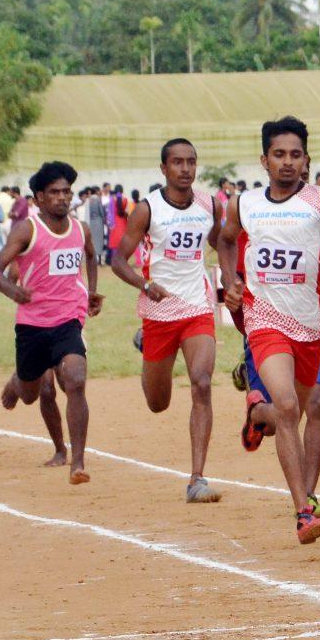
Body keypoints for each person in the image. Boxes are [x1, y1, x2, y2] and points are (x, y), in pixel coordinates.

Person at [217, 116, 320, 544]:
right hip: (264, 318)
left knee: (297, 410)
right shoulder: (243, 203)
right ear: (264, 160)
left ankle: (256, 413)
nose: (287, 162)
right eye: (279, 154)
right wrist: (231, 279)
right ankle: (303, 511)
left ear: (306, 160)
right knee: (287, 408)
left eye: (295, 155)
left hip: (309, 324)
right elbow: (225, 240)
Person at [111, 139, 223, 503]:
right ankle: (146, 345)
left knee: (201, 382)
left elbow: (223, 242)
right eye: (177, 162)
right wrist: (145, 285)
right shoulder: (147, 209)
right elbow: (118, 260)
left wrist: (232, 279)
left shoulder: (210, 205)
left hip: (197, 307)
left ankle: (197, 479)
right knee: (157, 403)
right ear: (164, 168)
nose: (185, 169)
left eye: (191, 162)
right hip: (158, 311)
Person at [0, 161, 104, 485]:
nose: (62, 197)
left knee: (75, 379)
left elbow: (90, 255)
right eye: (54, 192)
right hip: (33, 325)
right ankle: (17, 382)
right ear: (39, 198)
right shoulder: (28, 230)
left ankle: (77, 462)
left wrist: (91, 291)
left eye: (67, 191)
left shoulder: (81, 229)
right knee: (33, 393)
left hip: (68, 318)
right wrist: (13, 291)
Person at [87, 185, 106, 264]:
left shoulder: (89, 199)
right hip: (98, 221)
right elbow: (101, 211)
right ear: (96, 191)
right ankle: (99, 259)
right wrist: (104, 218)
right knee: (99, 240)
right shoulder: (98, 199)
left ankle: (94, 258)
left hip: (91, 222)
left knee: (93, 240)